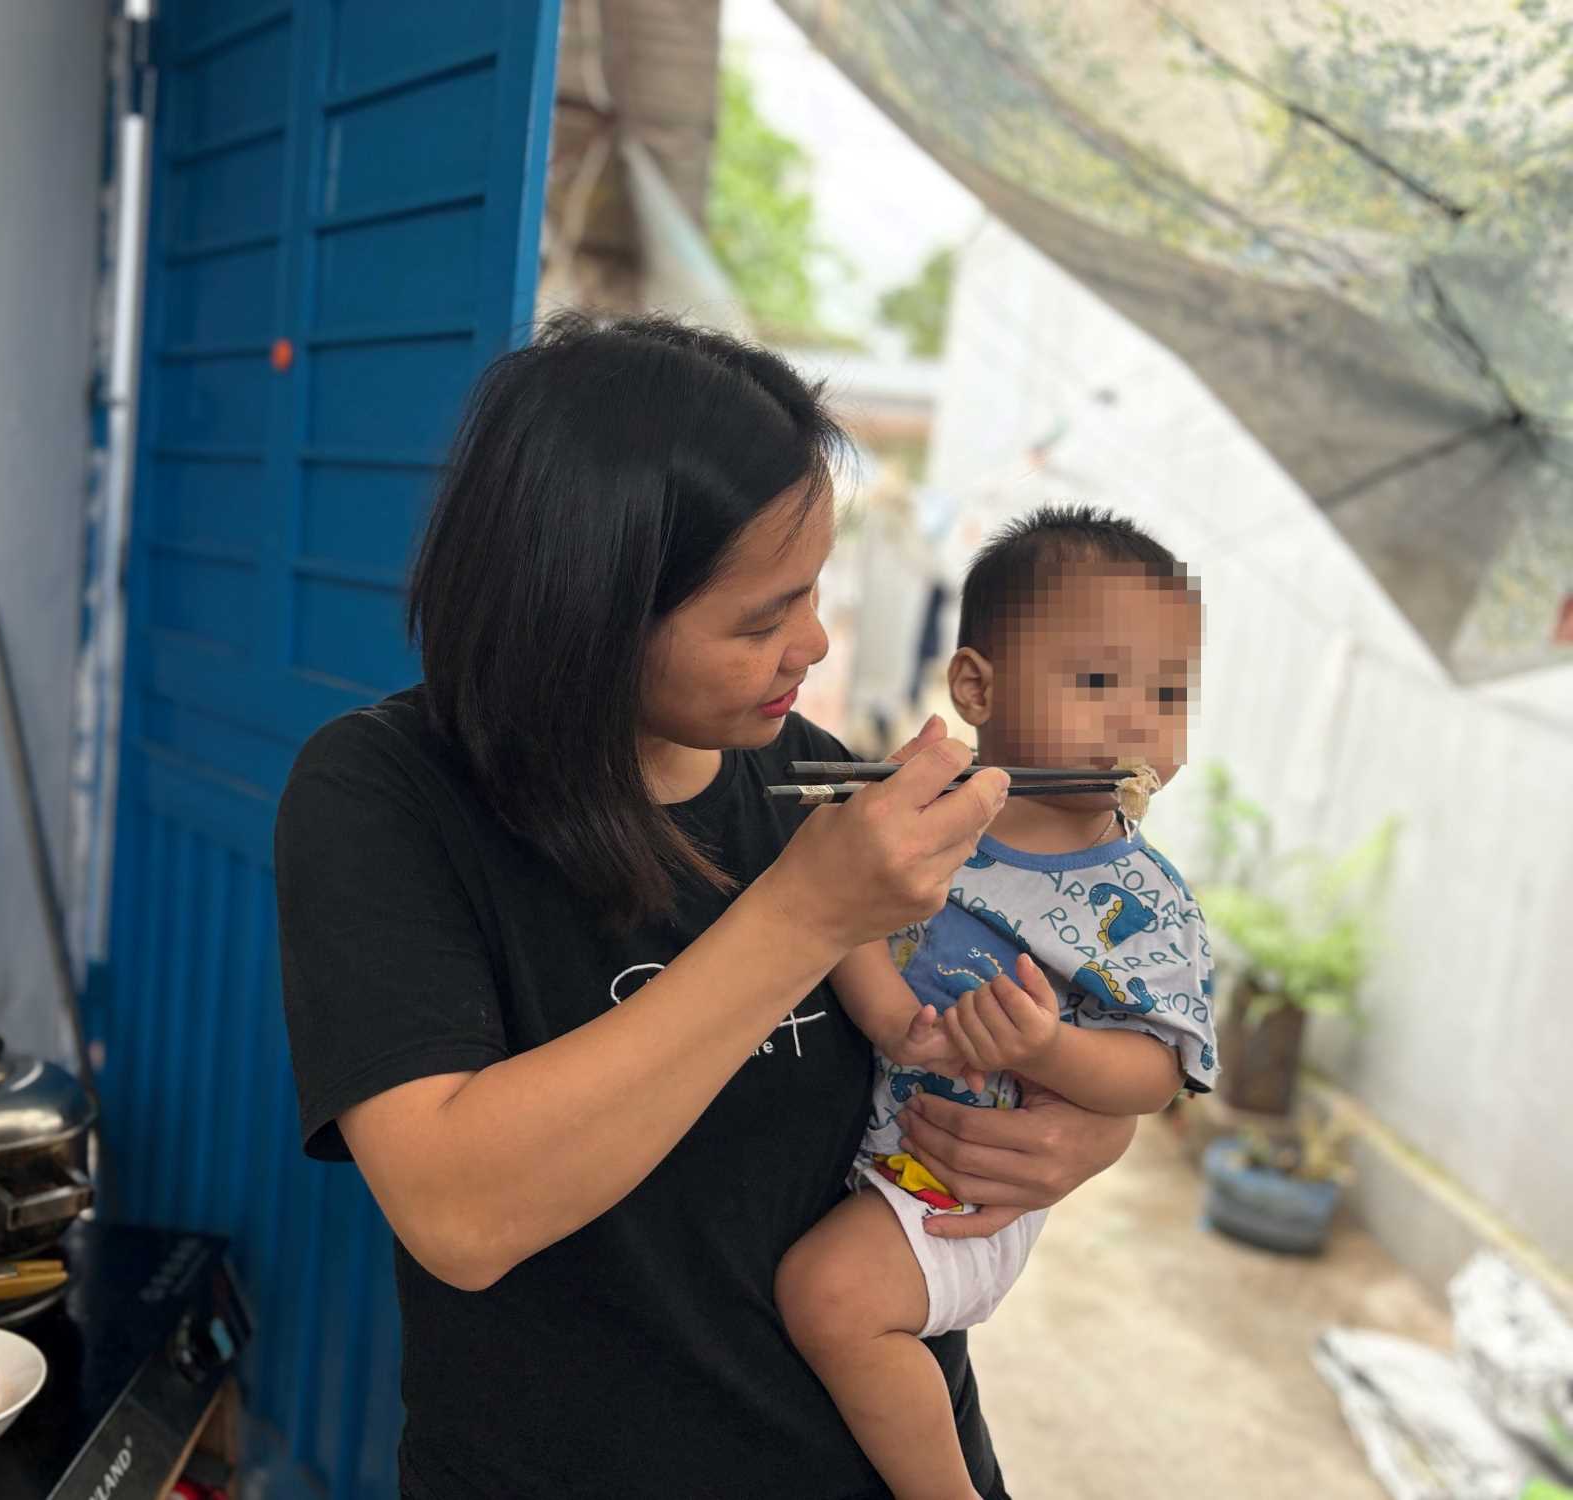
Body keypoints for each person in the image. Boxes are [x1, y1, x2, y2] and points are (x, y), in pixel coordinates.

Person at [273, 317, 1140, 1500]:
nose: (815, 640)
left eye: (814, 591)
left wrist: (1073, 1129)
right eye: (757, 619)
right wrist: (801, 919)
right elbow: (459, 1212)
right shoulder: (386, 795)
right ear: (583, 610)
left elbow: (983, 1056)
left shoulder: (821, 783)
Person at [775, 507, 1218, 1500]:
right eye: (1098, 682)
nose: (1138, 722)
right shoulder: (920, 819)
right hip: (859, 1146)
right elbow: (837, 924)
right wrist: (889, 1013)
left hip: (960, 1182)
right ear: (976, 686)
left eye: (1168, 693)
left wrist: (1048, 1050)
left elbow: (1157, 1071)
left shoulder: (1142, 901)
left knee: (829, 1297)